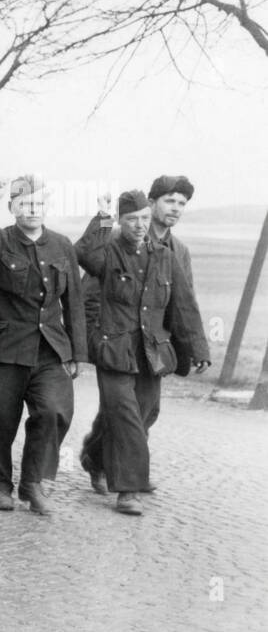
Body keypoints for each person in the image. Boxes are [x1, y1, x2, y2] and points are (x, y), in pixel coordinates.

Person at [75, 190, 208, 514]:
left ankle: (94, 458)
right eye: (131, 219)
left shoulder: (165, 257)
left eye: (144, 218)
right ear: (121, 221)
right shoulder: (108, 254)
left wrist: (198, 348)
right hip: (114, 350)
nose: (139, 225)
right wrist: (102, 219)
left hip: (151, 352)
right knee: (126, 416)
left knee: (146, 412)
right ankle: (129, 490)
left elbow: (183, 305)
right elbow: (83, 253)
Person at [0, 175, 87, 514]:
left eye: (39, 203)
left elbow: (74, 301)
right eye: (25, 204)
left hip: (50, 348)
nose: (33, 209)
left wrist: (77, 352)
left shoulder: (61, 245)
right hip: (3, 347)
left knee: (55, 411)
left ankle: (34, 483)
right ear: (13, 208)